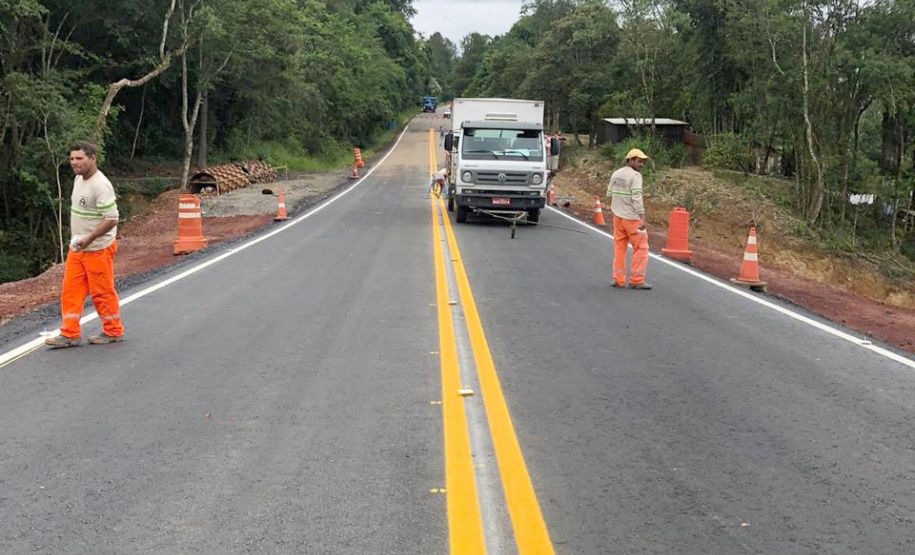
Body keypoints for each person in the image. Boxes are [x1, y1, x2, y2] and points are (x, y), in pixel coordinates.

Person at [45, 141, 125, 347]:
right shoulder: (78, 180)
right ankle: (69, 334)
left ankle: (113, 330)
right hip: (78, 248)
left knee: (102, 292)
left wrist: (89, 239)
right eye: (72, 159)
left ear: (92, 158)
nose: (74, 162)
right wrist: (80, 241)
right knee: (70, 290)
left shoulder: (101, 184)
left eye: (79, 158)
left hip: (97, 249)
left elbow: (112, 218)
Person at [608, 148, 652, 290]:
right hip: (631, 219)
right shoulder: (635, 176)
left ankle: (618, 280)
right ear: (630, 160)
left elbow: (609, 193)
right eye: (639, 161)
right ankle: (637, 280)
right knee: (641, 248)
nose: (641, 164)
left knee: (619, 249)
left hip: (618, 217)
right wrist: (642, 217)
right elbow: (637, 197)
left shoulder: (616, 174)